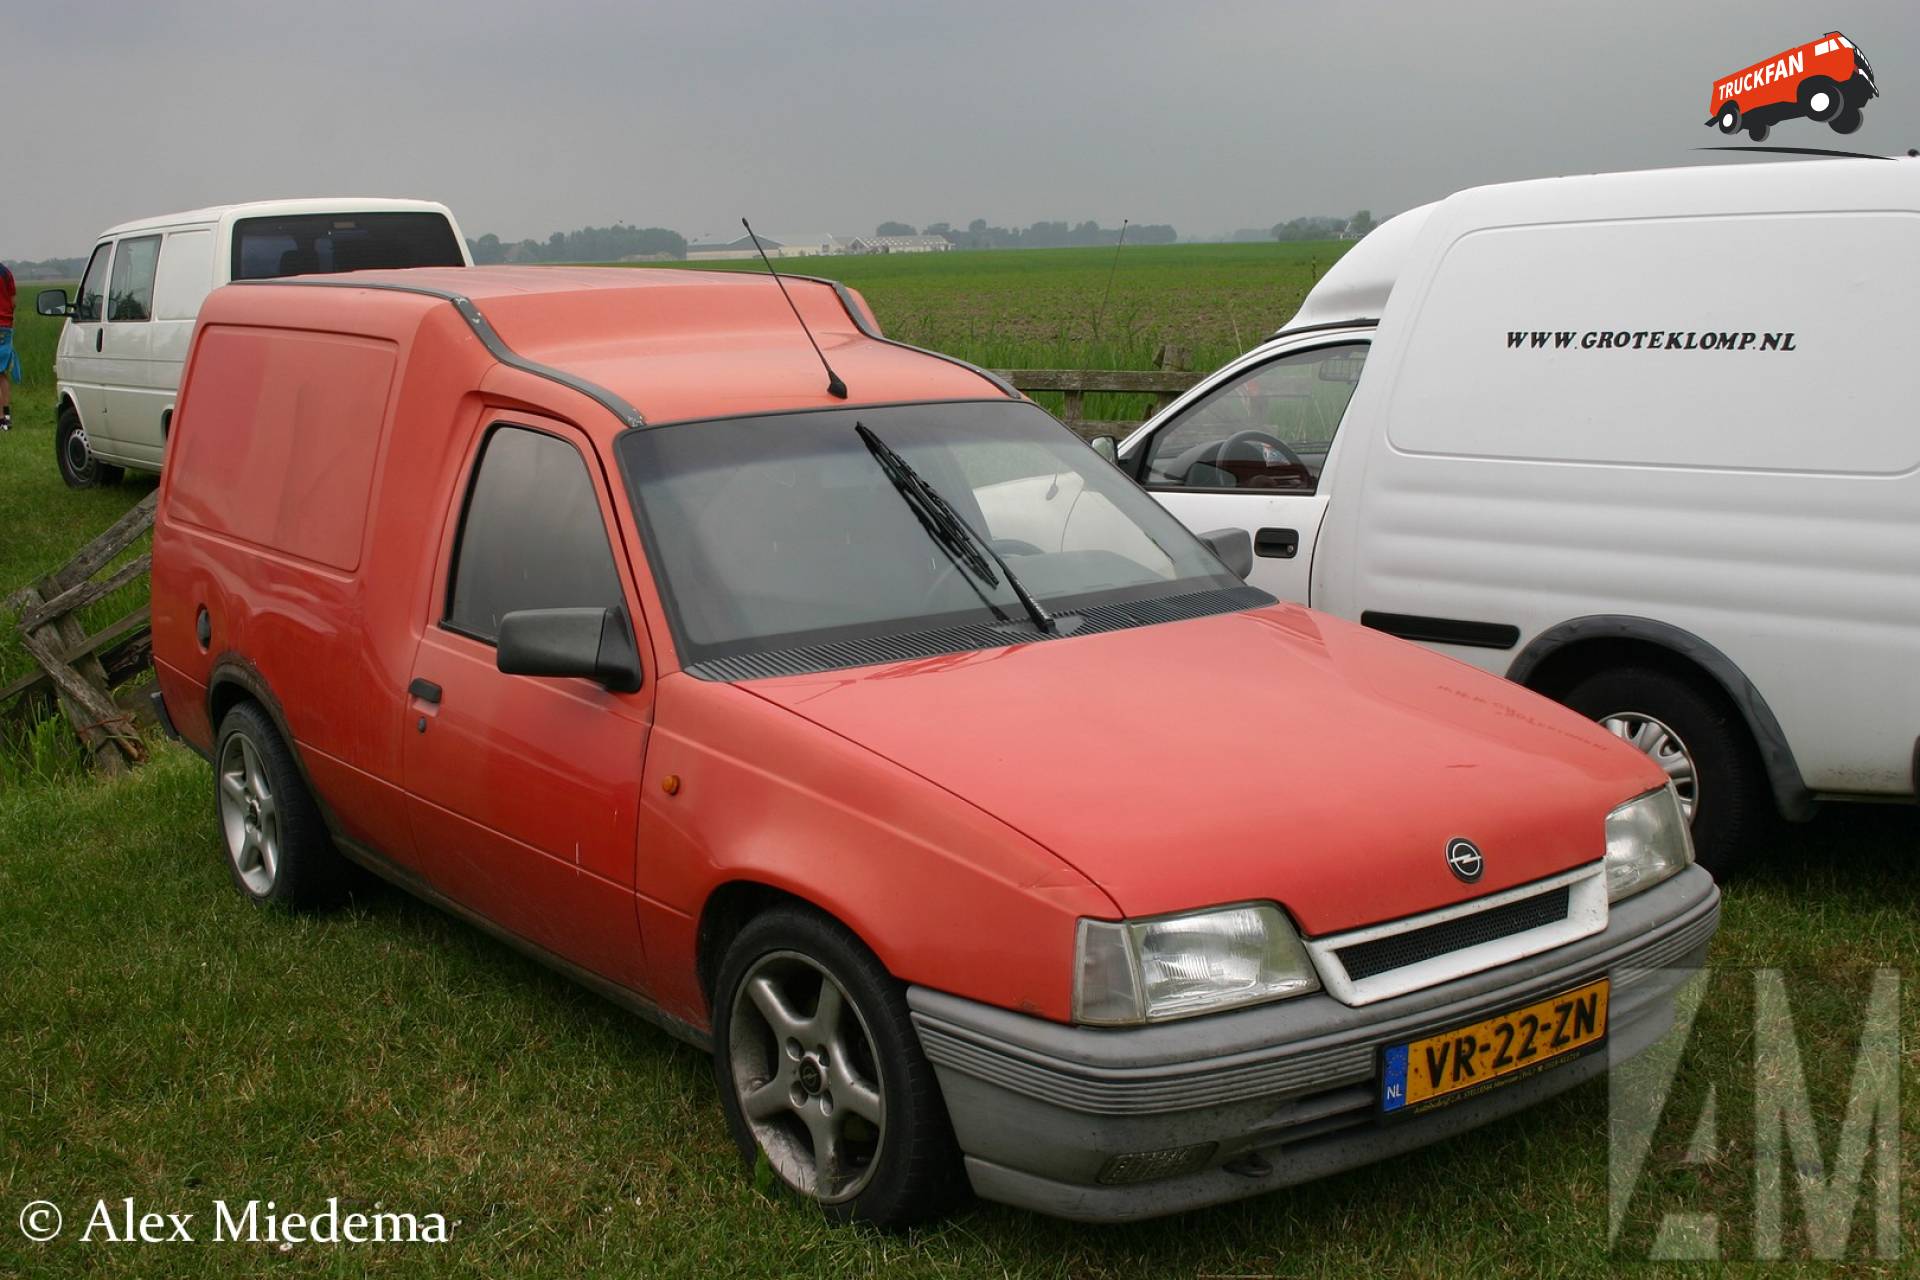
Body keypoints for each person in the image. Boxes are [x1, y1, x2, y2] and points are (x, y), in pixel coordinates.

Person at [0, 259, 17, 430]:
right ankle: (6, 416)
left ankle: (0, 419)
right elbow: (14, 303)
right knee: (2, 373)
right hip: (5, 328)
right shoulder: (6, 273)